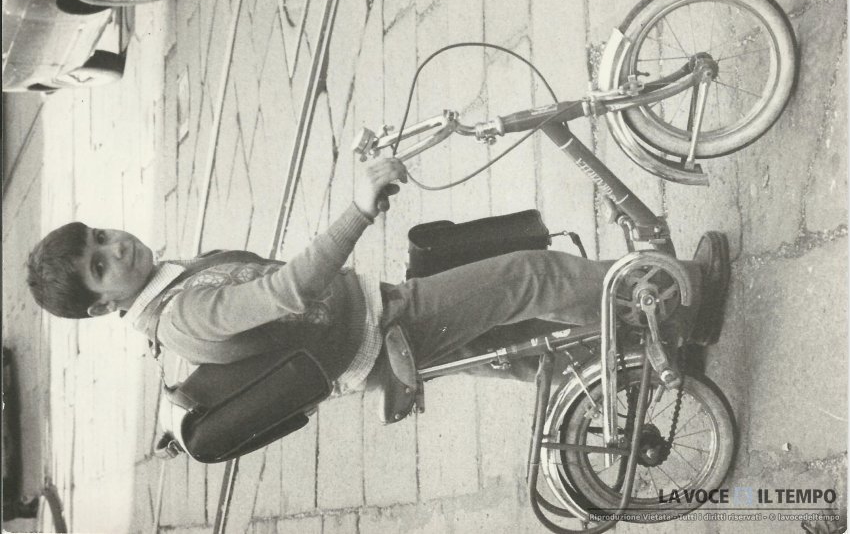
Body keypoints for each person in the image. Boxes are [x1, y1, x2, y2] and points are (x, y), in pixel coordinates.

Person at [26, 157, 723, 401]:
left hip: (373, 343)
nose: (115, 247)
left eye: (100, 236)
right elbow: (286, 291)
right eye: (99, 266)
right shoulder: (183, 316)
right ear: (102, 307)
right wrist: (358, 209)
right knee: (528, 278)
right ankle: (677, 304)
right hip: (385, 330)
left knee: (520, 349)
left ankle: (652, 366)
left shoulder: (171, 287)